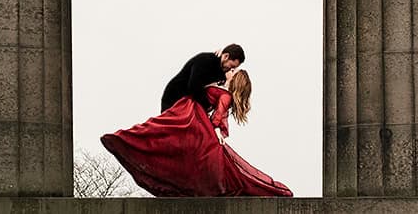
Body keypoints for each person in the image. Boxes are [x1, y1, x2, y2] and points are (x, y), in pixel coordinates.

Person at [101, 65, 292, 197]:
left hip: (191, 116)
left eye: (233, 71)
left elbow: (219, 114)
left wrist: (217, 131)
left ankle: (125, 139)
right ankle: (126, 139)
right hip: (191, 114)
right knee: (159, 132)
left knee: (158, 131)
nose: (229, 71)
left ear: (235, 79)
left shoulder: (225, 95)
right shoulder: (221, 88)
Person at [161, 43, 244, 112]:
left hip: (187, 103)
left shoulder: (221, 71)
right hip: (174, 100)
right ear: (226, 56)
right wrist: (207, 105)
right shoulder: (205, 60)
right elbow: (194, 86)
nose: (231, 69)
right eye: (231, 66)